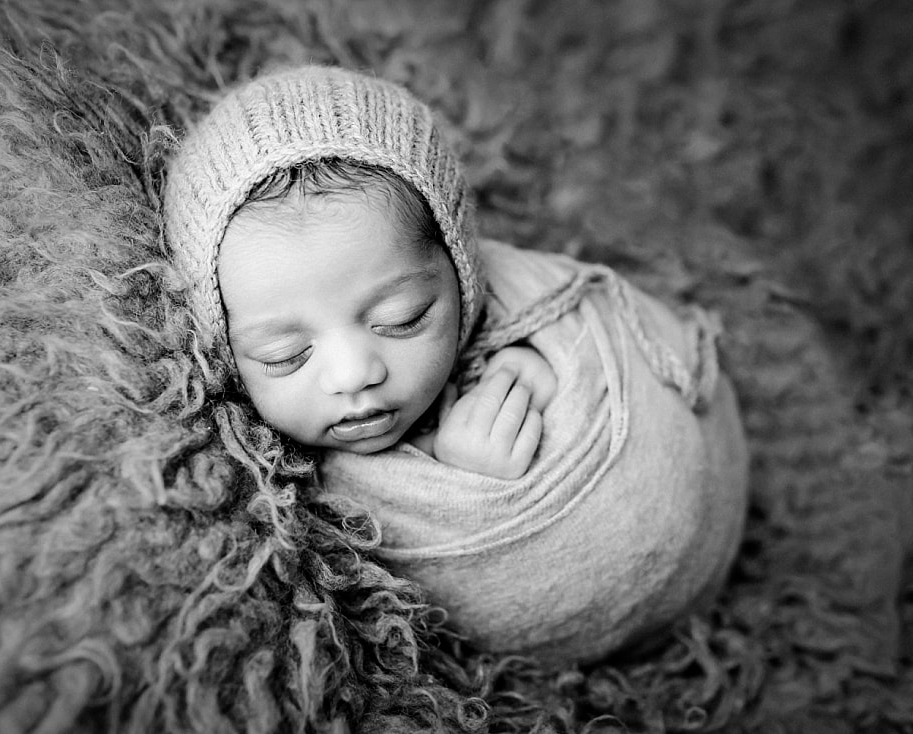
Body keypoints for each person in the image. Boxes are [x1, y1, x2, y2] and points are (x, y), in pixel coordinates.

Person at [163, 65, 749, 664]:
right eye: (284, 355)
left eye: (403, 317)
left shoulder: (537, 309)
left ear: (462, 266)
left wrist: (530, 383)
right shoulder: (261, 499)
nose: (353, 375)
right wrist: (458, 476)